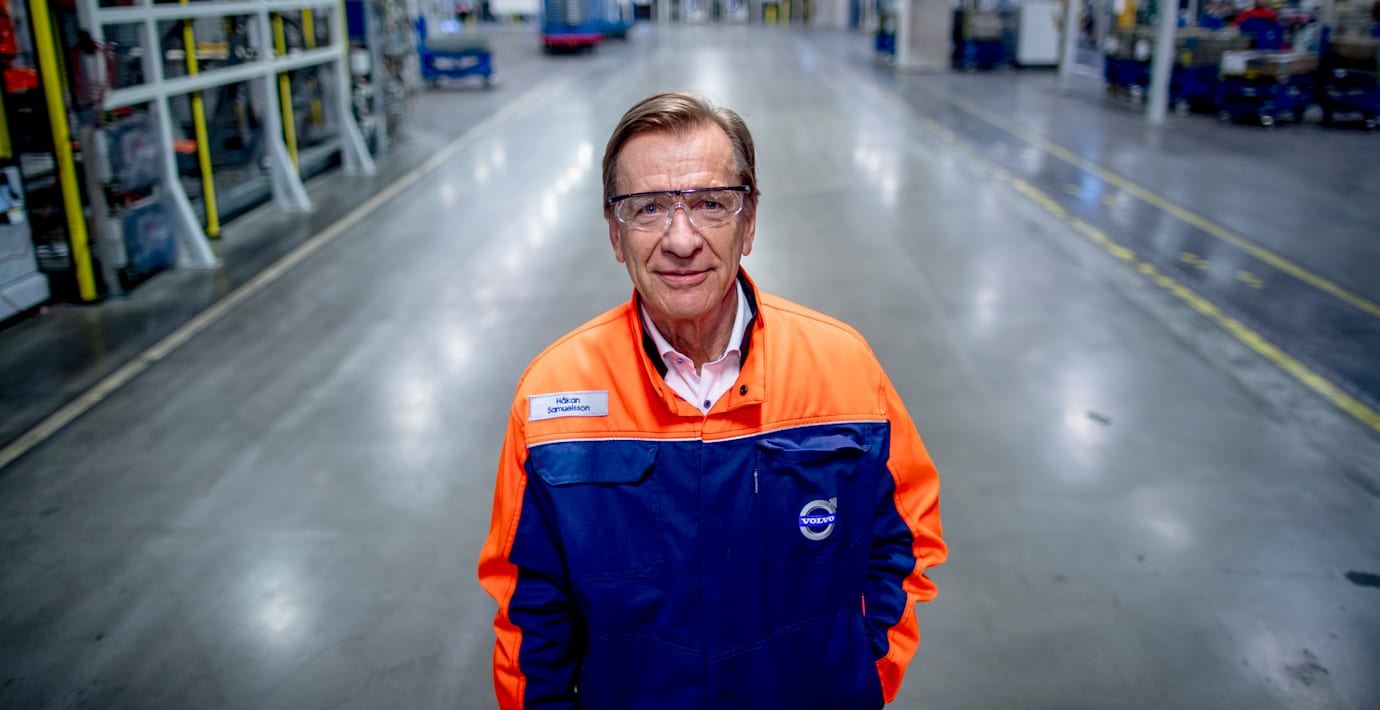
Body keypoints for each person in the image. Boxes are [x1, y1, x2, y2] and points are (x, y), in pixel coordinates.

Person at [477, 90, 947, 709]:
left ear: (748, 222)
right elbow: (528, 607)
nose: (681, 239)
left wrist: (859, 676)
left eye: (710, 203)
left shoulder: (845, 369)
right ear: (615, 233)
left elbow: (907, 543)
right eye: (647, 207)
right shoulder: (552, 395)